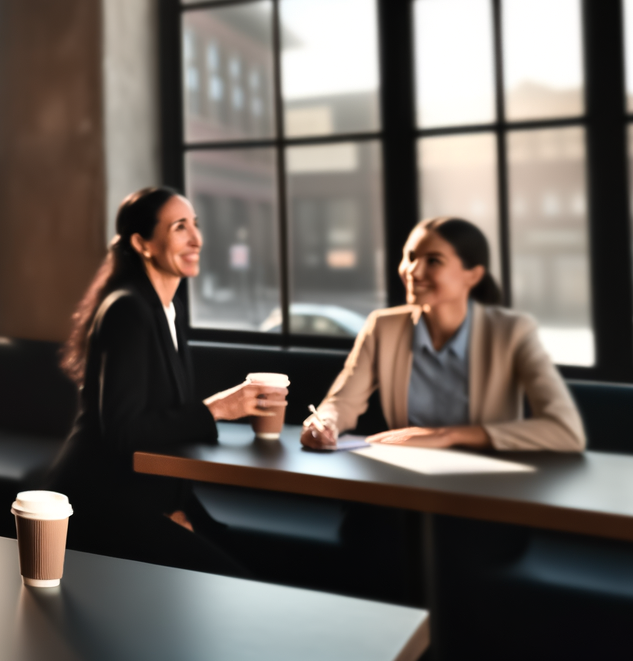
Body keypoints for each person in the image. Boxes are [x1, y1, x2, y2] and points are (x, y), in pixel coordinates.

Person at [46, 187, 280, 576]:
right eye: (179, 228)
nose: (196, 239)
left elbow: (164, 421)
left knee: (260, 561)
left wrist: (178, 506)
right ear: (143, 244)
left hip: (152, 494)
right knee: (233, 577)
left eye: (196, 225)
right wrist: (219, 408)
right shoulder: (127, 309)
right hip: (103, 500)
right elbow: (124, 431)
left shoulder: (169, 309)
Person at [302, 217, 585, 452]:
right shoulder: (383, 327)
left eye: (433, 261)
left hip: (488, 484)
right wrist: (324, 423)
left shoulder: (512, 331)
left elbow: (566, 431)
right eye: (410, 257)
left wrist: (446, 435)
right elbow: (342, 402)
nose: (413, 271)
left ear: (472, 275)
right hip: (405, 480)